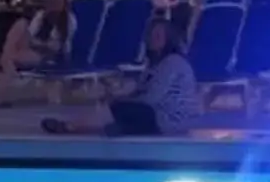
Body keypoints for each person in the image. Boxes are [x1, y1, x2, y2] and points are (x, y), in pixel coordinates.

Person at [45, 16, 194, 136]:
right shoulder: (155, 64)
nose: (153, 39)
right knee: (119, 109)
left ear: (169, 38)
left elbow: (151, 98)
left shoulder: (172, 63)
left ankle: (71, 126)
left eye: (158, 36)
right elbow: (140, 88)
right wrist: (120, 94)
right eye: (151, 35)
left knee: (119, 108)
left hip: (169, 121)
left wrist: (123, 100)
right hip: (160, 116)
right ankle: (118, 128)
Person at [0, 0, 75, 76]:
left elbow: (57, 48)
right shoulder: (41, 15)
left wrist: (38, 45)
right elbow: (29, 36)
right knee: (21, 23)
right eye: (52, 2)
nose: (55, 6)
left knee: (9, 58)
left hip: (46, 56)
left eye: (58, 3)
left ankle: (7, 65)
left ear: (64, 5)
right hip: (32, 47)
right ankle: (7, 62)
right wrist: (31, 43)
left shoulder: (69, 21)